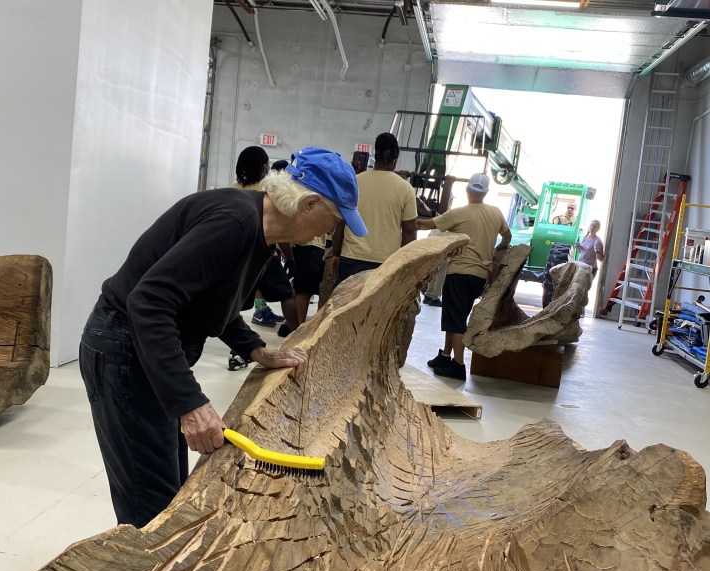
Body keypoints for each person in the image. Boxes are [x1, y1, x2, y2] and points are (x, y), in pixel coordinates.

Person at [79, 146, 367, 528]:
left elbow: (208, 298)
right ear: (310, 204)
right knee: (152, 509)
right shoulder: (234, 224)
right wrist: (190, 404)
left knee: (167, 495)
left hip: (141, 350)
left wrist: (255, 348)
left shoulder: (258, 229)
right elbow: (148, 303)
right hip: (123, 350)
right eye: (333, 221)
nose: (330, 233)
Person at [417, 172, 512, 380]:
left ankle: (458, 366)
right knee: (455, 317)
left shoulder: (458, 213)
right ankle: (445, 355)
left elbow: (426, 224)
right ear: (486, 192)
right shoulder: (496, 213)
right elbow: (508, 236)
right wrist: (496, 250)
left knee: (456, 320)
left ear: (467, 189)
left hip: (459, 273)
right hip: (480, 277)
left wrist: (405, 218)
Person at [331, 132, 417, 283]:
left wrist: (336, 253)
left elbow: (341, 222)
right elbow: (409, 231)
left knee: (348, 305)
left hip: (351, 258)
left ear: (374, 155)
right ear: (395, 160)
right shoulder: (405, 188)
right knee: (381, 307)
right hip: (386, 262)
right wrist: (405, 263)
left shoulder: (354, 182)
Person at [231, 147, 297, 332]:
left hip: (239, 255)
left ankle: (237, 350)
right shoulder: (270, 192)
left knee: (234, 303)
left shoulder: (232, 190)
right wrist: (290, 258)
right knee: (286, 294)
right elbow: (279, 229)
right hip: (265, 253)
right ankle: (298, 340)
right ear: (262, 168)